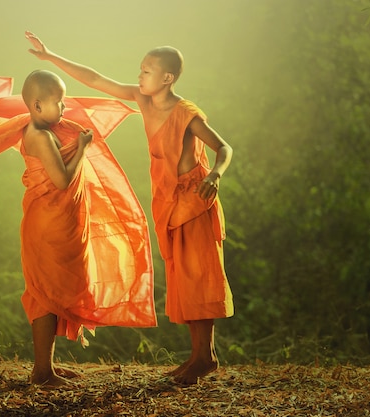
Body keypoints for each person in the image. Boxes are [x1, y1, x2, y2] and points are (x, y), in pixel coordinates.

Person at [0, 70, 157, 388]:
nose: (64, 108)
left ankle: (48, 366)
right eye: (58, 102)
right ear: (35, 105)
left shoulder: (44, 127)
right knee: (46, 294)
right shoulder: (40, 136)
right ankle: (42, 372)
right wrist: (83, 147)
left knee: (55, 288)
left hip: (59, 220)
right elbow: (61, 180)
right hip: (48, 223)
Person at [25, 31, 234, 385]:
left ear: (167, 78)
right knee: (182, 276)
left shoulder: (186, 113)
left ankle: (203, 356)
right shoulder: (142, 99)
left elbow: (224, 148)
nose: (139, 76)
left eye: (147, 71)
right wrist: (51, 57)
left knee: (199, 274)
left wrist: (215, 174)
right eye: (140, 70)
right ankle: (201, 356)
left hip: (194, 197)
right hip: (168, 200)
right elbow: (95, 78)